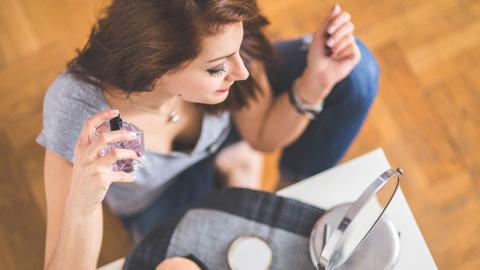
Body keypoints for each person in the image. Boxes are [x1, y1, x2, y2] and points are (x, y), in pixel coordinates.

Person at [37, 0, 379, 269]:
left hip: (229, 137)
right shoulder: (82, 115)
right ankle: (241, 175)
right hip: (161, 198)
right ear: (155, 68)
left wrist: (315, 84)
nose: (242, 72)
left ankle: (286, 190)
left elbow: (262, 137)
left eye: (238, 51)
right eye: (217, 67)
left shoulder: (220, 27)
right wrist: (81, 205)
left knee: (356, 72)